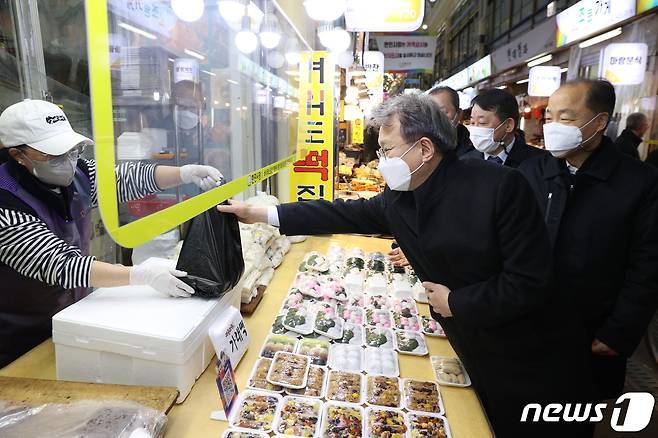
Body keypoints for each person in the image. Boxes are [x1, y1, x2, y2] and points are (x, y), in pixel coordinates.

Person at [220, 92, 593, 437]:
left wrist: (457, 302)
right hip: (466, 338)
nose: (381, 162)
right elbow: (340, 213)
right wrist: (260, 213)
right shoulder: (402, 197)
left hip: (523, 349)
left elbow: (530, 280)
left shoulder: (498, 187)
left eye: (387, 150)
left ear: (425, 148)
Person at [0, 99, 225, 367]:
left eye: (72, 151)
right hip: (25, 334)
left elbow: (121, 179)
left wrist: (185, 173)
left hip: (75, 313)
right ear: (18, 155)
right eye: (53, 155)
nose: (68, 161)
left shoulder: (77, 173)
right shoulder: (6, 203)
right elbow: (59, 264)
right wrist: (140, 274)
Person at [519, 79, 658, 401]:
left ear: (599, 122)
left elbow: (648, 264)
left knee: (573, 415)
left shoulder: (640, 183)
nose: (552, 127)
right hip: (525, 325)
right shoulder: (532, 171)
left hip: (591, 333)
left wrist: (620, 331)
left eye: (565, 118)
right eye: (549, 117)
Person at [464, 88, 544, 167]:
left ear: (508, 125)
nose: (475, 129)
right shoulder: (465, 163)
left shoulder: (540, 162)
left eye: (482, 123)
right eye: (472, 122)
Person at [426, 85, 474, 158]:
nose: (436, 118)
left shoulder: (473, 149)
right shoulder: (422, 149)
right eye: (431, 113)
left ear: (459, 114)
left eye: (443, 112)